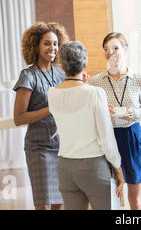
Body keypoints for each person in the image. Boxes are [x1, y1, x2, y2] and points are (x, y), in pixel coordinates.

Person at [47, 41, 124, 209]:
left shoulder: (52, 94)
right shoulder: (95, 93)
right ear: (85, 63)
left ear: (61, 65)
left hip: (65, 167)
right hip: (94, 166)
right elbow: (106, 139)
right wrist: (117, 168)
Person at [13, 21, 69, 210]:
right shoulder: (28, 76)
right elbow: (19, 118)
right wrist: (49, 109)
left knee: (59, 202)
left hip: (62, 146)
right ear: (35, 45)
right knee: (43, 202)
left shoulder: (61, 74)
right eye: (47, 43)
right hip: (39, 148)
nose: (52, 48)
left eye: (55, 43)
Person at [90, 32, 141, 210]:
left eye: (115, 48)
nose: (111, 52)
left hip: (132, 135)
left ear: (125, 50)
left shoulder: (138, 78)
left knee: (135, 199)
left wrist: (133, 113)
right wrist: (102, 112)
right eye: (107, 49)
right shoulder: (96, 81)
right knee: (111, 196)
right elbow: (91, 112)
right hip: (108, 137)